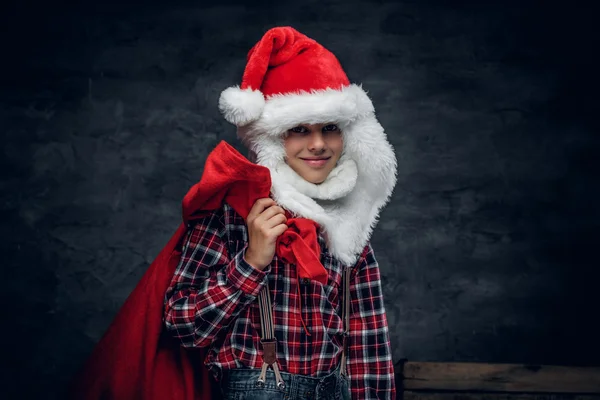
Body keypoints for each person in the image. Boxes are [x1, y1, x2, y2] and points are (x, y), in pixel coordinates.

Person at [163, 26, 398, 400]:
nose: (319, 144)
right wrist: (252, 262)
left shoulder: (351, 226)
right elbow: (184, 326)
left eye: (331, 128)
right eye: (299, 129)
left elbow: (368, 346)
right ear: (271, 138)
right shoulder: (231, 216)